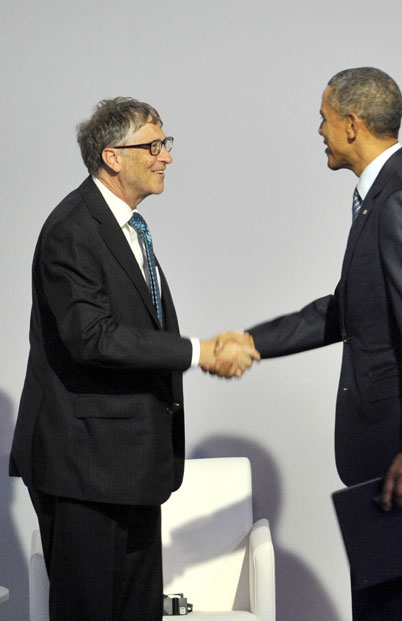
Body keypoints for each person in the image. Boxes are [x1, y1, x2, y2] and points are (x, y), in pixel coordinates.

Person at [245, 67, 402, 620]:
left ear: (352, 124)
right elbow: (345, 309)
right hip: (399, 436)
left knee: (387, 599)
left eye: (324, 119)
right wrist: (251, 342)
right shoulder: (384, 196)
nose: (320, 131)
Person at [9, 97, 259, 620]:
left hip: (131, 464)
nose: (166, 156)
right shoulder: (72, 230)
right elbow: (93, 337)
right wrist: (198, 351)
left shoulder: (128, 228)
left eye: (165, 143)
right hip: (83, 468)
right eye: (153, 145)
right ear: (112, 156)